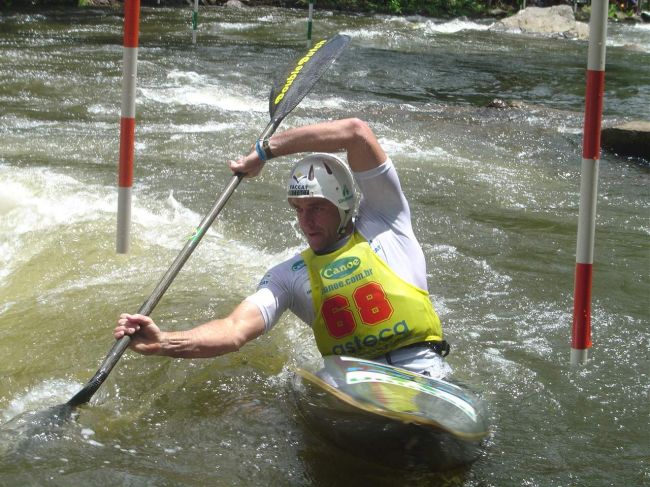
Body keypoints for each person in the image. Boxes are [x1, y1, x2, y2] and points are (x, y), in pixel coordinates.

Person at [114, 118, 450, 379]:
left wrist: (263, 152)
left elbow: (355, 132)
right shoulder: (287, 277)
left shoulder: (386, 222)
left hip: (422, 368)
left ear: (344, 205)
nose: (306, 221)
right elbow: (233, 331)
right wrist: (164, 343)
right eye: (298, 210)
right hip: (351, 384)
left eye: (317, 207)